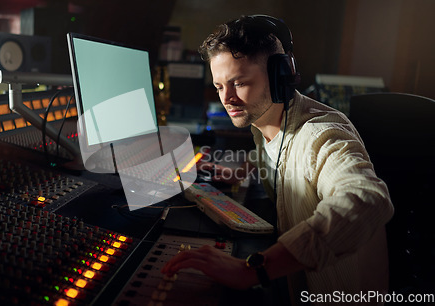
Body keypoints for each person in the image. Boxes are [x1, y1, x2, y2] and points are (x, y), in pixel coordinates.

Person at [161, 15, 394, 305]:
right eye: (220, 86)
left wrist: (252, 271)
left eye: (239, 83)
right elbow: (274, 153)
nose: (227, 98)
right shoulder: (268, 123)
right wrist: (240, 172)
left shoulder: (321, 133)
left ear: (279, 76)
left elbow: (367, 199)